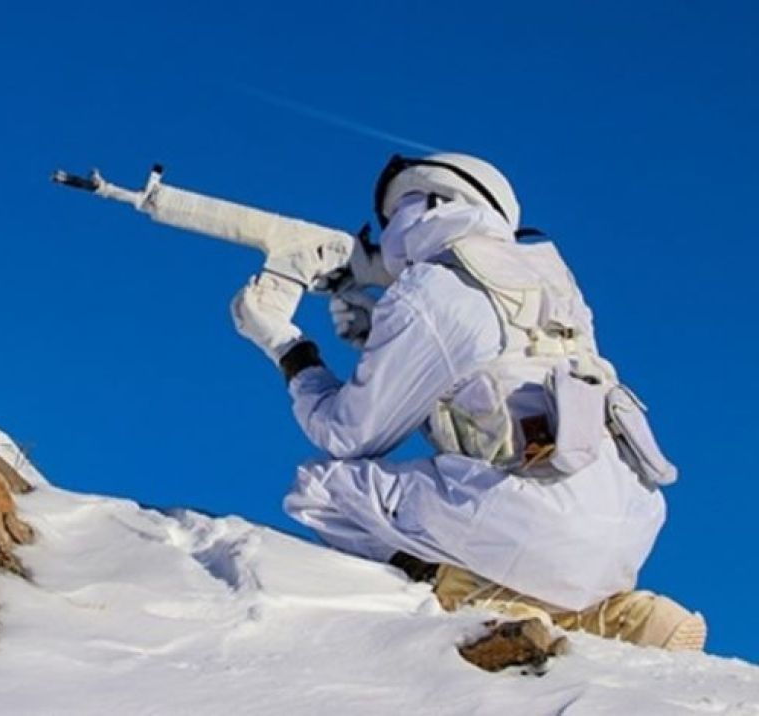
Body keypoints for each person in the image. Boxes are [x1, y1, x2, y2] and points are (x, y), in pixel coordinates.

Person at [230, 152, 706, 651]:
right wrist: (382, 332)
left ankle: (488, 606)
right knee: (523, 534)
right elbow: (497, 368)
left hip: (532, 522)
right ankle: (622, 618)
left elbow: (347, 433)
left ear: (424, 205)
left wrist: (286, 346)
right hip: (625, 530)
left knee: (321, 490)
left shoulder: (429, 287)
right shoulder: (553, 283)